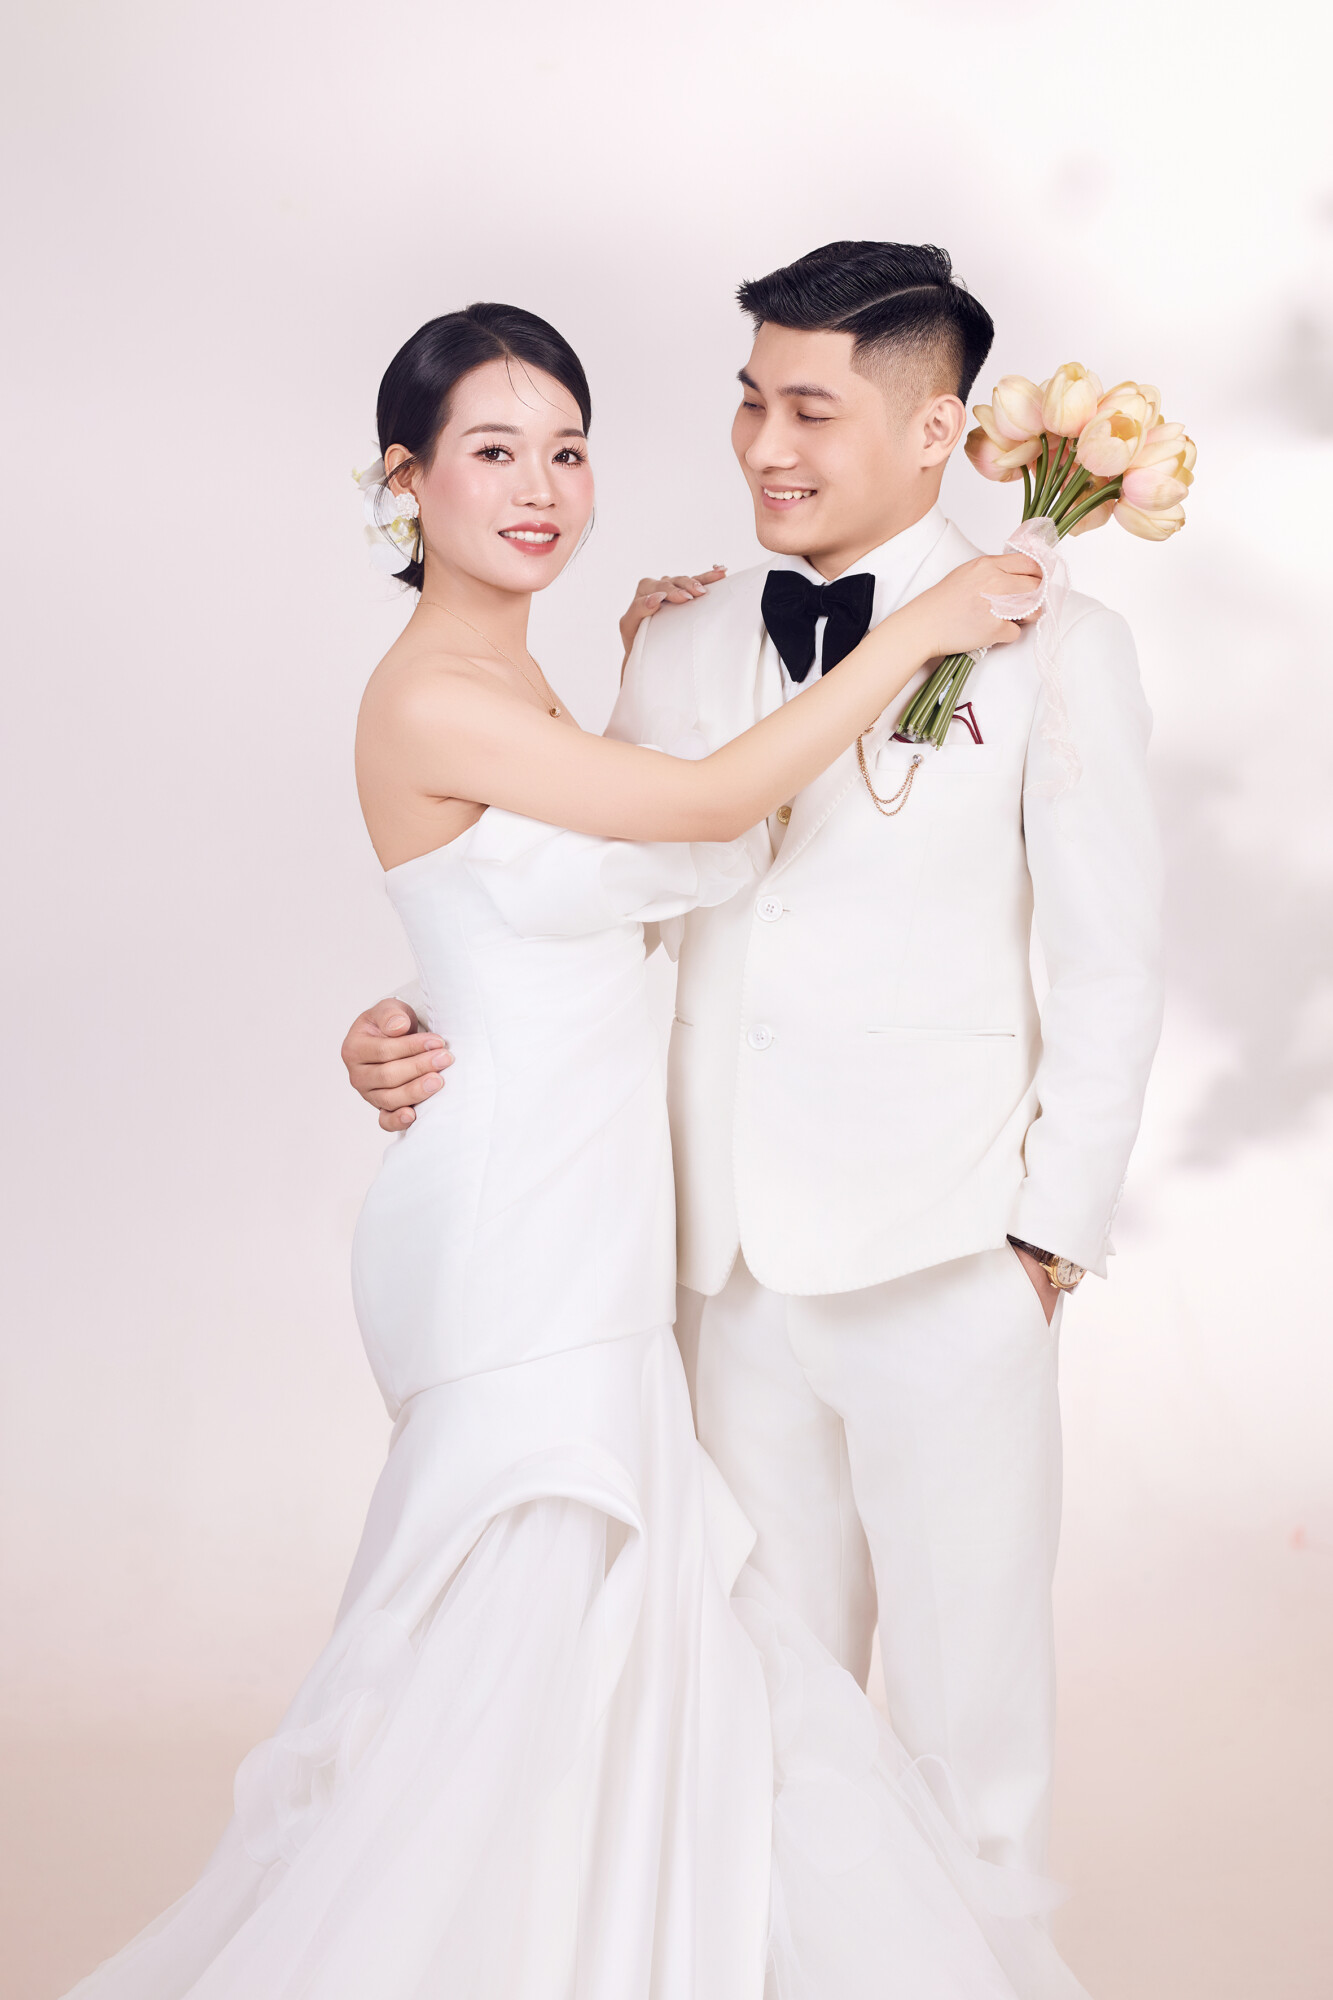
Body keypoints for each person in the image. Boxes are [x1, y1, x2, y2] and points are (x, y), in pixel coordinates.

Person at [61, 304, 1091, 1999]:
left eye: (567, 449)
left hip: (595, 1215)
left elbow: (541, 910)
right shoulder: (427, 693)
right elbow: (696, 815)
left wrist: (429, 976)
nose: (540, 487)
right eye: (492, 451)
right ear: (404, 481)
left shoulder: (524, 677)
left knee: (610, 1646)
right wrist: (918, 633)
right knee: (521, 1616)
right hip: (512, 1238)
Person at [345, 244, 1165, 1882]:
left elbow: (1111, 962)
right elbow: (595, 891)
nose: (764, 449)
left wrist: (1044, 1244)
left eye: (809, 410)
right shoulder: (676, 640)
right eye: (746, 404)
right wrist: (416, 1012)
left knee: (971, 1741)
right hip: (708, 1273)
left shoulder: (1057, 642)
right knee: (755, 1734)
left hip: (947, 1253)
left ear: (933, 433)